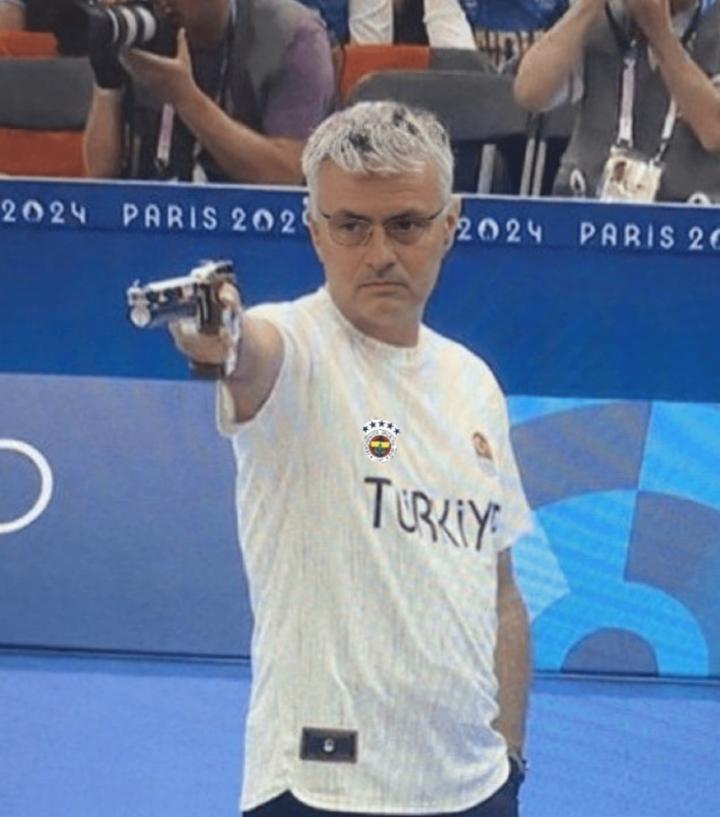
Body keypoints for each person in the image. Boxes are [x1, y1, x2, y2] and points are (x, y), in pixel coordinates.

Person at [169, 100, 533, 816]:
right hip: (318, 788)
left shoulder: (474, 383)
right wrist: (221, 336)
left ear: (451, 224)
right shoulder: (291, 345)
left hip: (476, 789)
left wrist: (509, 761)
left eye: (406, 224)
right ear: (314, 230)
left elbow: (501, 594)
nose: (380, 253)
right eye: (351, 226)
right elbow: (245, 351)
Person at [83, 0, 336, 183]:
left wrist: (185, 98)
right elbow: (102, 174)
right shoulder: (139, 28)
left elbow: (287, 175)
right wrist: (107, 80)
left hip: (250, 226)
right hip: (153, 222)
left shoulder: (293, 34)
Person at [513, 0, 720, 202]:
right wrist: (587, 8)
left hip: (685, 211)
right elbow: (530, 94)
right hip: (587, 203)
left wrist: (660, 35)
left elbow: (714, 132)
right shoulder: (602, 19)